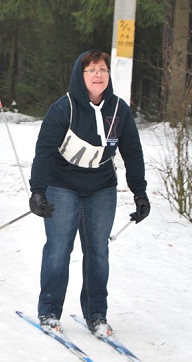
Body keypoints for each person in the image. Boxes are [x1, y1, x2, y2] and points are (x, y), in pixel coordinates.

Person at [29, 50, 150, 338]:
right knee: (59, 249)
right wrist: (38, 191)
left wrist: (140, 193)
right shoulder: (63, 109)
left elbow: (132, 152)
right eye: (92, 70)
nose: (98, 75)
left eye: (103, 70)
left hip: (101, 187)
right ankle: (49, 311)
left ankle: (96, 314)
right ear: (79, 76)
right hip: (63, 184)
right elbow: (44, 151)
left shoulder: (119, 110)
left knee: (98, 252)